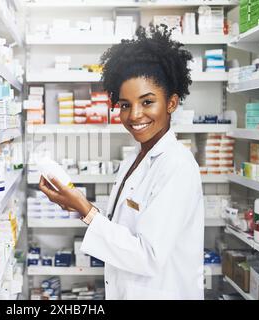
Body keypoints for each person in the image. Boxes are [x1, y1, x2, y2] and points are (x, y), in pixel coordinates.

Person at [38, 25, 205, 300]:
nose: (134, 115)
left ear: (172, 103)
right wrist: (76, 205)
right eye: (125, 105)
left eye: (147, 102)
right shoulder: (134, 157)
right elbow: (123, 231)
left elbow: (148, 256)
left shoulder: (178, 166)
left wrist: (85, 209)